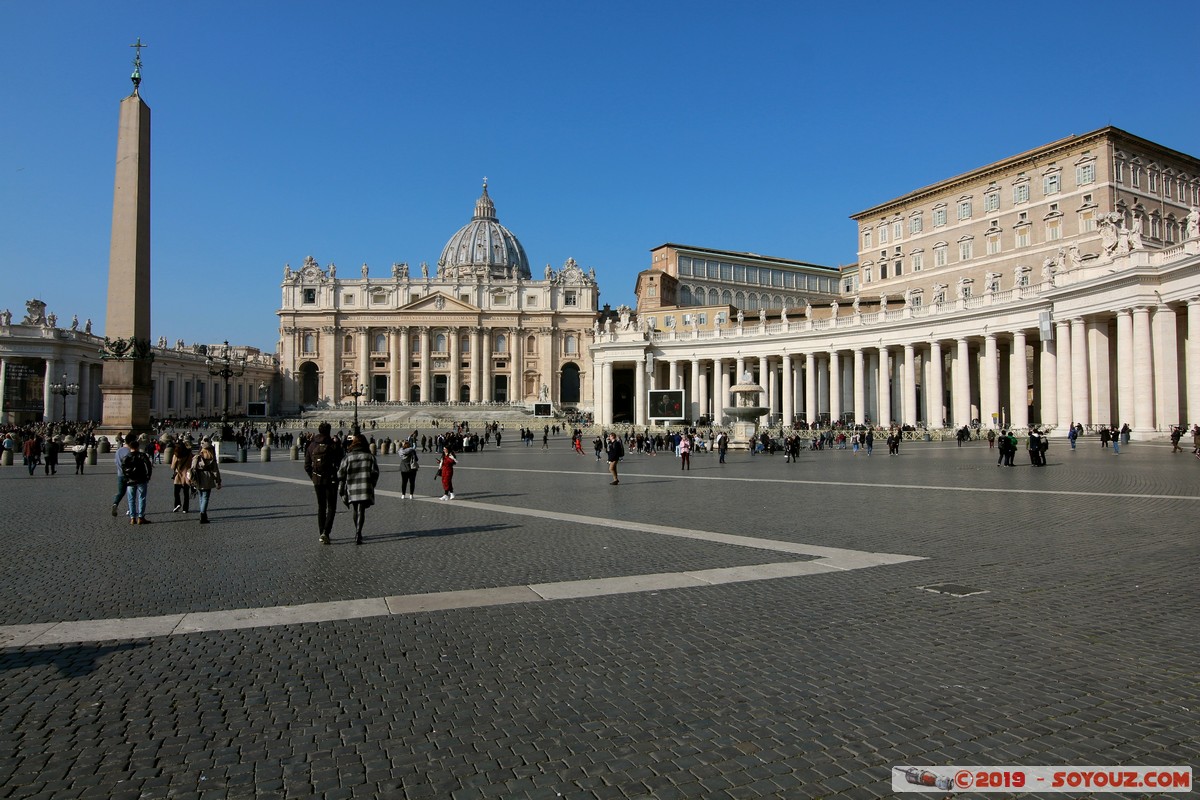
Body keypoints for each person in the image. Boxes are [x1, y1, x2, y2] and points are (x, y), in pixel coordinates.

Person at [305, 421, 344, 544]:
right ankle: (326, 533)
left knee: (321, 507)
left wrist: (314, 476)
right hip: (331, 480)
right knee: (331, 507)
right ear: (329, 431)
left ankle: (321, 532)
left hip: (318, 480)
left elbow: (306, 465)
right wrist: (338, 445)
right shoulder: (332, 445)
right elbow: (341, 461)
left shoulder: (312, 446)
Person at [337, 435, 379, 544]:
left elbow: (340, 474)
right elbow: (375, 473)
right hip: (365, 486)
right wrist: (372, 485)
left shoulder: (348, 457)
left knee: (356, 509)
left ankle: (357, 531)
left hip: (352, 487)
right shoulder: (370, 457)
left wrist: (342, 490)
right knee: (361, 510)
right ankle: (358, 533)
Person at [121, 434, 154, 524]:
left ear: (130, 447)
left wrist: (127, 478)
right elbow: (148, 466)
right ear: (138, 446)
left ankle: (132, 518)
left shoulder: (126, 457)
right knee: (141, 498)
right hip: (141, 479)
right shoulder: (142, 455)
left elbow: (123, 469)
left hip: (130, 481)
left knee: (131, 499)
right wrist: (148, 476)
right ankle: (140, 517)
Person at [189, 439, 222, 524]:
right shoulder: (211, 457)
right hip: (208, 477)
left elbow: (192, 468)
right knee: (205, 497)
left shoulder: (198, 456)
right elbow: (215, 471)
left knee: (201, 496)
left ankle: (202, 513)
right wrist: (218, 481)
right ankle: (203, 515)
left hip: (199, 477)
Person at [171, 438, 193, 513]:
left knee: (176, 493)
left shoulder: (176, 455)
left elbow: (173, 467)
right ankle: (185, 509)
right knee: (186, 494)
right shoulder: (189, 454)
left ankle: (177, 504)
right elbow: (191, 464)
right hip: (187, 476)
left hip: (178, 476)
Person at [111, 434, 131, 515]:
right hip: (129, 475)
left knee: (121, 492)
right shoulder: (130, 451)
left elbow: (116, 462)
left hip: (120, 474)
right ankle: (130, 509)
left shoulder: (118, 451)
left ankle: (115, 503)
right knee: (131, 493)